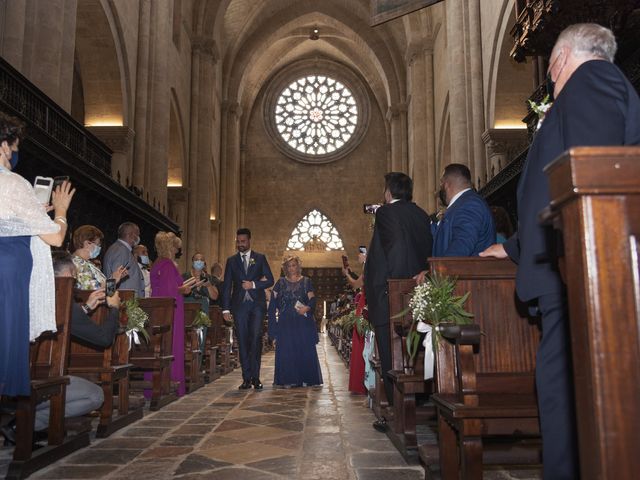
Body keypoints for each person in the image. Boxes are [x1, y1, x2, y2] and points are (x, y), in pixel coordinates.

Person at [480, 23, 640, 479]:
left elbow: (596, 175)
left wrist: (577, 253)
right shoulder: (585, 90)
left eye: (550, 67)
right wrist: (512, 248)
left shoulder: (592, 81)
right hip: (571, 268)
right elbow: (562, 187)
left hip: (584, 272)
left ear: (562, 59)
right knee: (566, 396)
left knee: (570, 397)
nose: (549, 77)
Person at [0, 112, 75, 398]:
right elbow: (55, 237)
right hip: (7, 274)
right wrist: (61, 210)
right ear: (5, 145)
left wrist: (33, 216)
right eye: (15, 147)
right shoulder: (14, 183)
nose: (15, 153)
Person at [364, 172, 432, 432]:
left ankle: (398, 415)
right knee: (414, 353)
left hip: (391, 296)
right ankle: (418, 405)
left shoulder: (385, 213)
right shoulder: (421, 214)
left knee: (392, 356)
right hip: (417, 293)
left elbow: (396, 248)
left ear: (389, 192)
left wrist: (396, 286)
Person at [222, 228, 274, 390]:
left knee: (256, 339)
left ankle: (256, 378)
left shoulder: (259, 258)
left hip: (257, 306)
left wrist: (253, 284)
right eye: (238, 241)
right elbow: (226, 286)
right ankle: (246, 378)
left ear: (249, 241)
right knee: (243, 341)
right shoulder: (231, 261)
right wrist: (225, 309)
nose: (240, 244)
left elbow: (270, 280)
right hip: (239, 307)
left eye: (243, 241)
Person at [150, 232, 197, 397]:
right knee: (172, 344)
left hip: (159, 309)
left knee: (161, 346)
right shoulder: (168, 265)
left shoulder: (158, 263)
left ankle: (156, 384)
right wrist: (184, 289)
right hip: (171, 310)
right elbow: (171, 291)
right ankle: (172, 382)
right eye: (176, 247)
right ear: (170, 247)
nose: (178, 251)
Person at [268, 255, 322, 387]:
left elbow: (312, 299)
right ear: (285, 268)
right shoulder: (280, 283)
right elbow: (273, 302)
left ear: (298, 266)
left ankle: (304, 377)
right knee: (287, 350)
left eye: (293, 265)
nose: (291, 268)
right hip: (285, 323)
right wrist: (272, 327)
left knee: (303, 349)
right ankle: (289, 379)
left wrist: (307, 308)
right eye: (288, 266)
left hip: (302, 322)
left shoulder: (306, 282)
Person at [432, 163, 495, 257]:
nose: (440, 188)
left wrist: (439, 270)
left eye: (441, 183)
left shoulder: (470, 204)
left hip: (464, 271)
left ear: (446, 184)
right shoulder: (463, 204)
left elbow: (461, 246)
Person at [72, 225, 127, 290]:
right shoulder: (78, 264)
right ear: (87, 243)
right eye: (97, 245)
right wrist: (113, 280)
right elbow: (93, 292)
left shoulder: (88, 263)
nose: (99, 248)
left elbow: (107, 292)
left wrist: (115, 277)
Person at [103, 222, 145, 297]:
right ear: (130, 235)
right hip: (123, 302)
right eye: (137, 235)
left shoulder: (119, 248)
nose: (138, 238)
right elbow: (113, 279)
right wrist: (111, 299)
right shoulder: (121, 250)